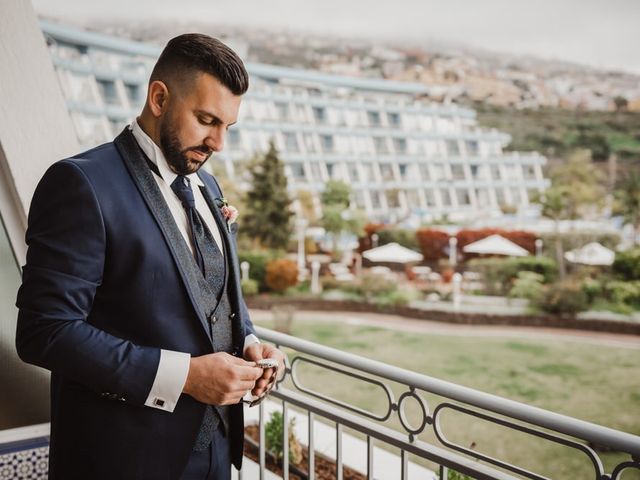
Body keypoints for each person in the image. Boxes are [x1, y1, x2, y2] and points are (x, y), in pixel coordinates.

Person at [15, 33, 285, 480]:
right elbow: (45, 331)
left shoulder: (209, 188)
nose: (218, 143)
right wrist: (185, 377)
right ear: (159, 98)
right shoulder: (81, 184)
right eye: (205, 120)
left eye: (227, 127)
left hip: (216, 456)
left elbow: (210, 299)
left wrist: (250, 342)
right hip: (121, 461)